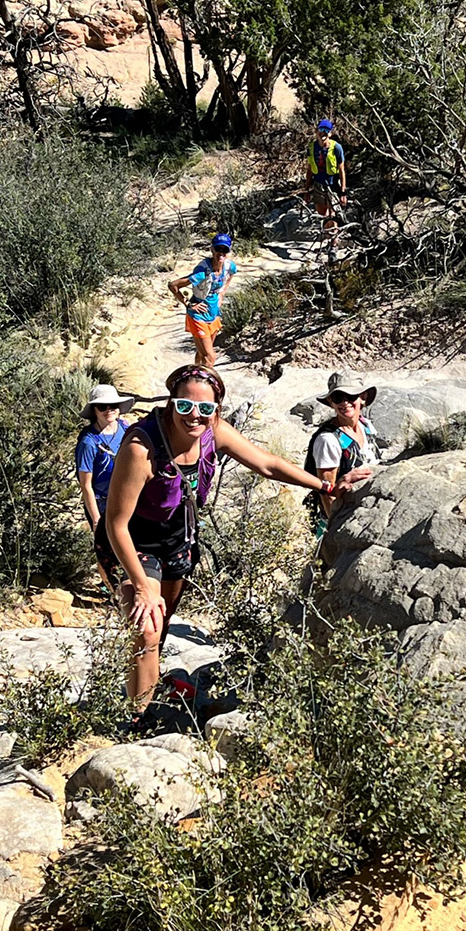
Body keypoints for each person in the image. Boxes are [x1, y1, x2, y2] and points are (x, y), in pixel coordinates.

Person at [103, 364, 371, 724]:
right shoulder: (142, 447)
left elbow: (269, 465)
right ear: (170, 404)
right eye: (184, 406)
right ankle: (136, 719)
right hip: (134, 542)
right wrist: (140, 585)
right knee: (147, 625)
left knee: (161, 629)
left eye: (205, 408)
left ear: (217, 410)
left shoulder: (215, 432)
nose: (194, 416)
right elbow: (115, 523)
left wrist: (325, 487)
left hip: (179, 539)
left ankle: (149, 697)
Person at [303, 371, 381, 538]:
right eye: (338, 397)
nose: (345, 402)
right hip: (339, 522)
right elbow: (326, 492)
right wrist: (336, 531)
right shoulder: (328, 440)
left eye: (351, 396)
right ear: (331, 402)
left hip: (363, 512)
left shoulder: (366, 426)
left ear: (363, 397)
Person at [75, 384, 135, 585]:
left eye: (113, 405)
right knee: (105, 548)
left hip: (128, 496)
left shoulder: (127, 429)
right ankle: (111, 589)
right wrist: (96, 519)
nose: (109, 410)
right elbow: (86, 485)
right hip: (102, 501)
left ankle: (127, 583)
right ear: (94, 411)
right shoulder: (88, 442)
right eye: (103, 407)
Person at [168, 234, 237, 369]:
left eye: (225, 250)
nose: (221, 253)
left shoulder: (229, 267)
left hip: (213, 313)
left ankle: (193, 377)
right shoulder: (202, 272)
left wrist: (222, 293)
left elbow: (230, 277)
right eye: (218, 249)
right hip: (198, 316)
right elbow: (173, 286)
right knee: (210, 357)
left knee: (202, 353)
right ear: (212, 249)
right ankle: (206, 386)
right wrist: (188, 303)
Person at [305, 119, 347, 236]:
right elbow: (309, 170)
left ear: (330, 133)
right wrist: (307, 190)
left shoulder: (336, 148)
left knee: (332, 216)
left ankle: (333, 245)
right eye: (321, 129)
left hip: (332, 186)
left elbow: (341, 170)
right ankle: (327, 239)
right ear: (316, 131)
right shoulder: (311, 148)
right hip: (318, 185)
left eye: (326, 131)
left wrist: (343, 192)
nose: (323, 133)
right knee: (323, 215)